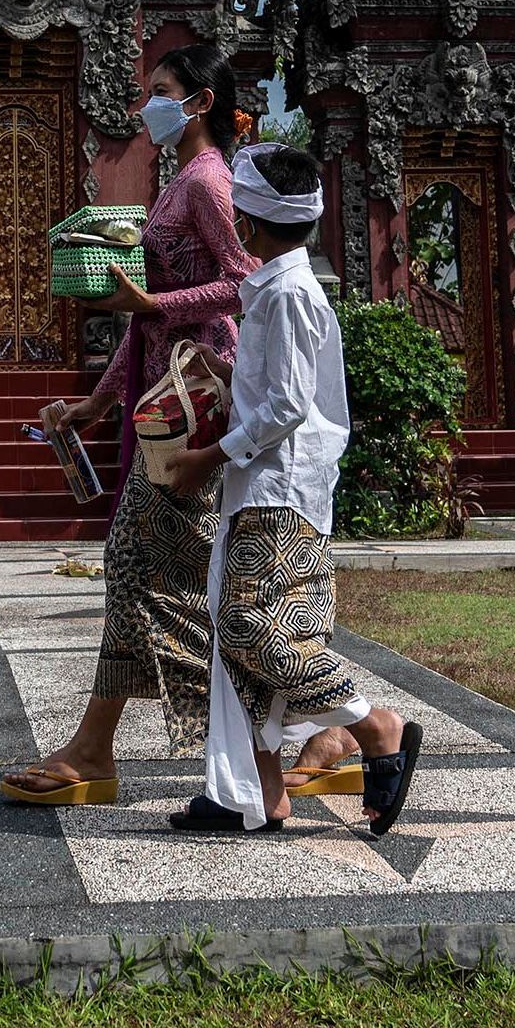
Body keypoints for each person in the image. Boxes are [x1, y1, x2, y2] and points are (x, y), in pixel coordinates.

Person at [0, 42, 255, 805]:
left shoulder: (210, 181)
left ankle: (330, 722)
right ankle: (96, 747)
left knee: (144, 564)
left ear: (199, 103)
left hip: (197, 399)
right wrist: (96, 402)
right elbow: (142, 329)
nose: (148, 104)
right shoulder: (176, 181)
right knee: (147, 570)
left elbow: (245, 282)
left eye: (162, 91)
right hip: (156, 397)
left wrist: (157, 307)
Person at [165, 144, 423, 838]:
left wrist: (204, 458)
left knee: (249, 625)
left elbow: (284, 409)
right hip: (277, 484)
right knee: (245, 630)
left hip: (278, 488)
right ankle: (256, 792)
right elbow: (275, 394)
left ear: (245, 222)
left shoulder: (284, 294)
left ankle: (375, 726)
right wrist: (227, 375)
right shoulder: (281, 291)